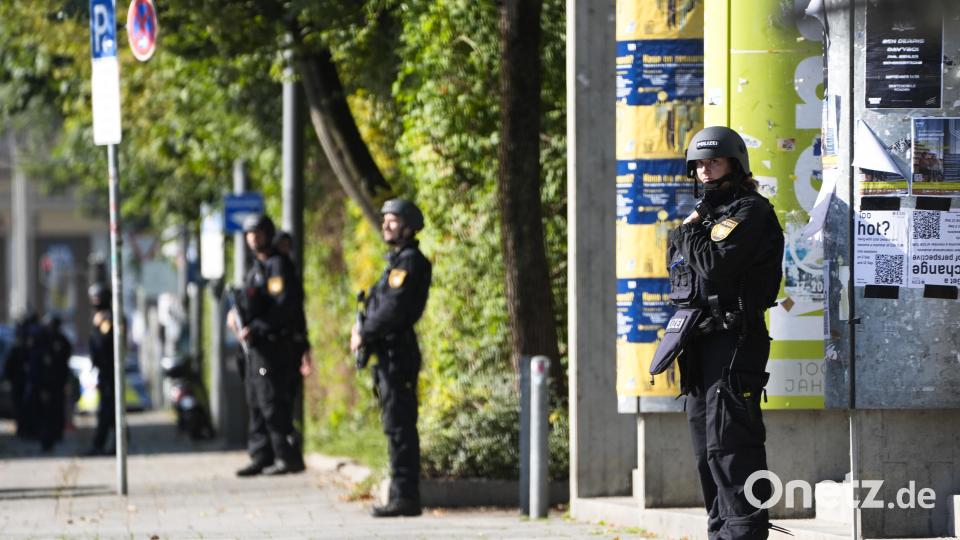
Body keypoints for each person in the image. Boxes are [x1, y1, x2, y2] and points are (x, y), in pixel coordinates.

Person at [667, 126, 784, 539]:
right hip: (701, 342)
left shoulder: (751, 211)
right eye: (699, 164)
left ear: (734, 164)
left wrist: (686, 232)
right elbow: (683, 277)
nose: (705, 170)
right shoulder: (706, 215)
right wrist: (690, 232)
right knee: (706, 449)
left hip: (735, 339)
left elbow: (715, 266)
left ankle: (745, 532)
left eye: (713, 162)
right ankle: (720, 532)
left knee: (731, 443)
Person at [351, 199, 432, 518]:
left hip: (398, 352)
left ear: (409, 226)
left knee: (400, 427)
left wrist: (365, 332)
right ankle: (401, 495)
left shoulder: (409, 262)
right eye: (384, 219)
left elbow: (394, 309)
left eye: (393, 220)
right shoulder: (397, 262)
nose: (385, 224)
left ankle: (405, 497)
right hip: (389, 353)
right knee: (394, 424)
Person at [230, 214, 305, 476]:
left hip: (272, 351)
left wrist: (257, 327)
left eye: (257, 233)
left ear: (268, 234)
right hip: (255, 352)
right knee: (255, 398)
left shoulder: (277, 266)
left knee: (270, 398)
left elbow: (283, 307)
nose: (253, 238)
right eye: (249, 234)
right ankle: (261, 455)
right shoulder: (255, 269)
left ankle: (286, 455)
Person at [273, 230, 313, 457]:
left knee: (287, 394)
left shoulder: (289, 273)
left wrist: (304, 347)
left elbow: (297, 314)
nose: (285, 250)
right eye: (281, 245)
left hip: (290, 348)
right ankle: (280, 448)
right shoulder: (270, 270)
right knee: (267, 389)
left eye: (288, 246)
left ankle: (289, 448)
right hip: (267, 356)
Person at [31, 314, 72, 451]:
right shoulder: (42, 341)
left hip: (56, 385)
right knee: (45, 414)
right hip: (45, 384)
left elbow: (64, 361)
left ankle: (54, 436)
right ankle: (45, 439)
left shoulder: (61, 341)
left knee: (55, 412)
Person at [87, 283, 116, 456]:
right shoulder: (101, 316)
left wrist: (98, 326)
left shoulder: (108, 318)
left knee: (107, 409)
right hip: (103, 371)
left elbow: (104, 342)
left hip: (110, 371)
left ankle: (101, 443)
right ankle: (114, 441)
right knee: (109, 409)